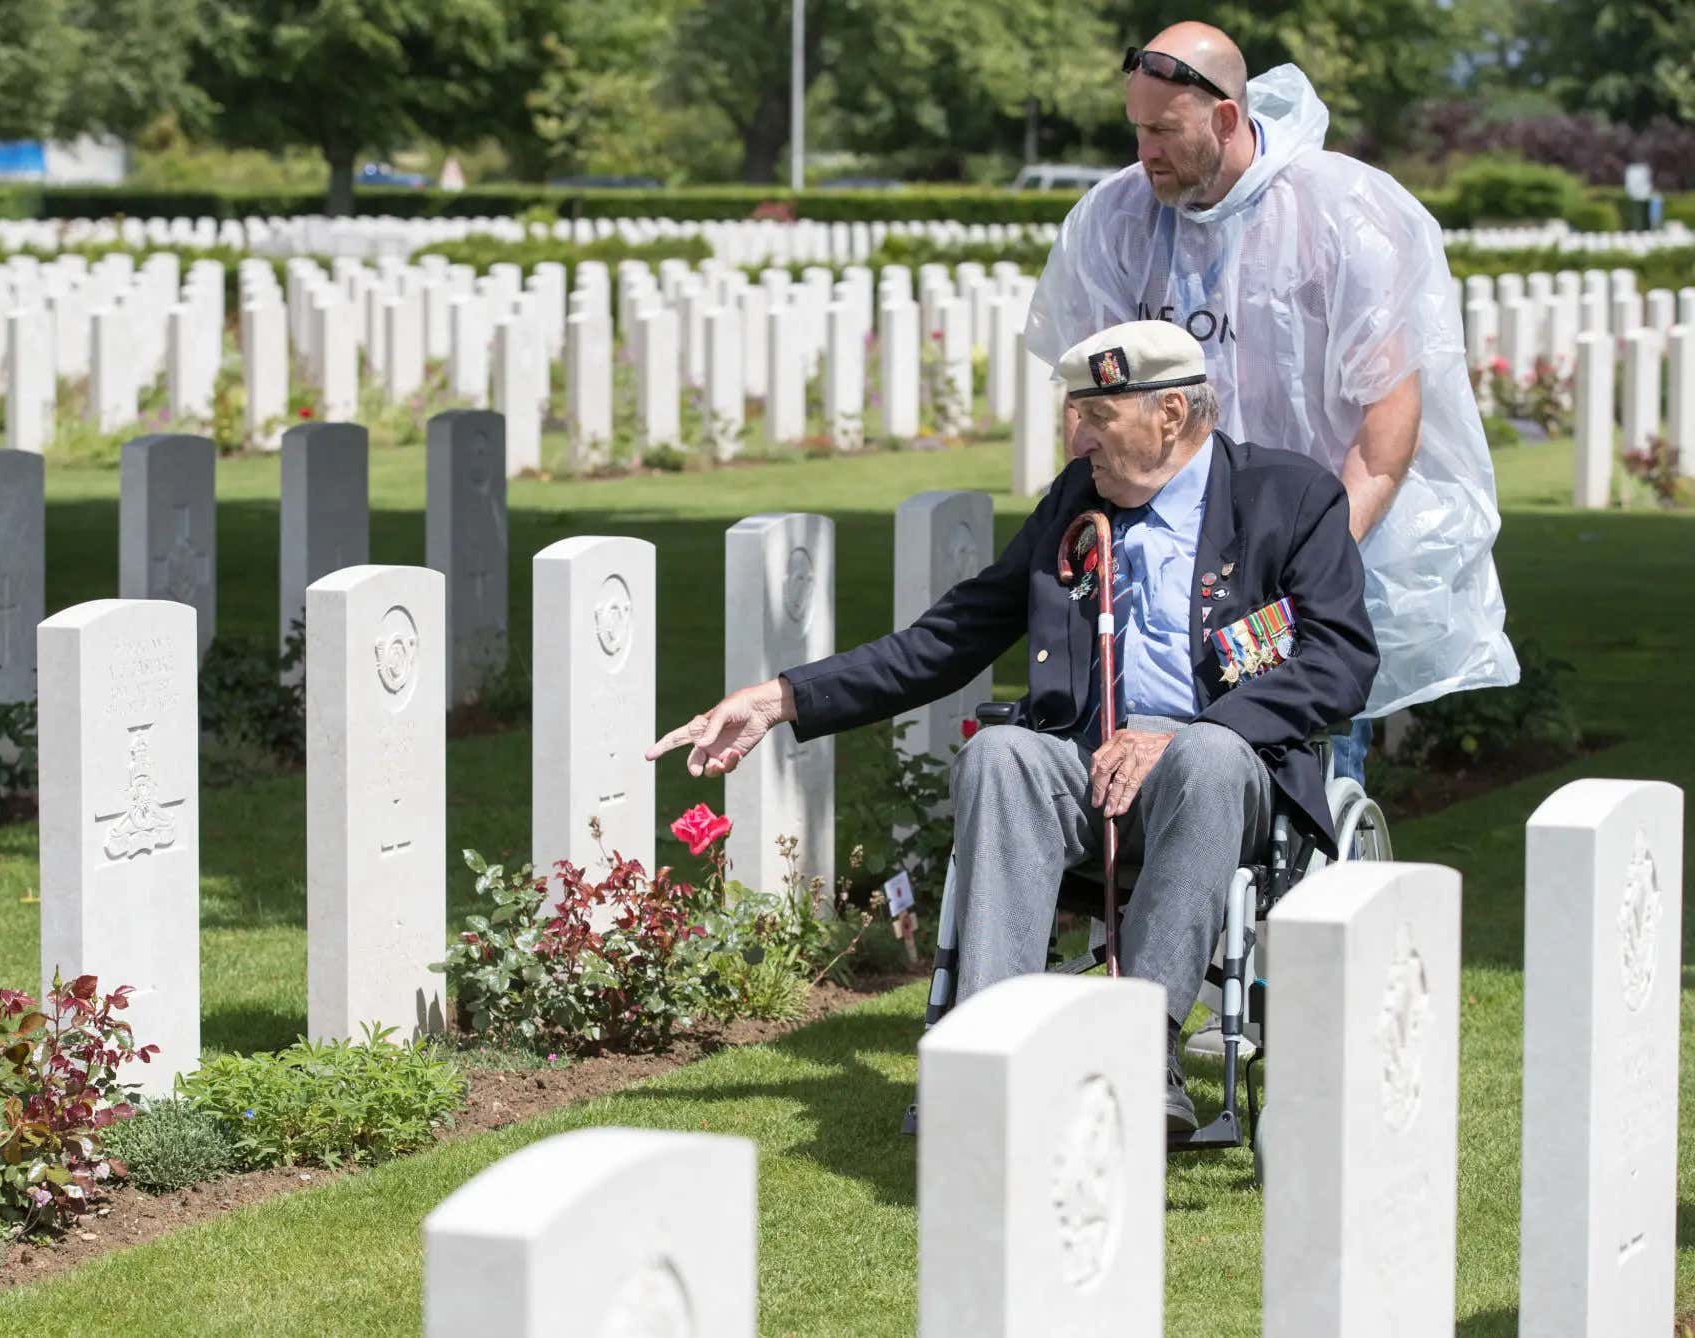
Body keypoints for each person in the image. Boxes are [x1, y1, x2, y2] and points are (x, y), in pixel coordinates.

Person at [645, 321, 1377, 1131]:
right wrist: (781, 698)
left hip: (1220, 780)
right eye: (1074, 413)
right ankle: (987, 1052)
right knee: (1000, 753)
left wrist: (1178, 734)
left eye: (1096, 414)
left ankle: (1141, 1049)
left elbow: (1340, 661)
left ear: (1171, 413)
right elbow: (951, 636)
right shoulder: (1077, 501)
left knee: (1205, 753)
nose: (1075, 436)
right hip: (1089, 772)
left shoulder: (1291, 497)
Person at [1026, 22, 1517, 783]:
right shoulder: (1115, 221)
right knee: (1154, 787)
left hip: (1304, 565)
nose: (1143, 151)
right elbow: (1088, 406)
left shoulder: (1342, 214)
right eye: (1136, 129)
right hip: (1164, 566)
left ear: (1225, 117)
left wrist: (1307, 557)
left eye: (1163, 131)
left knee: (1306, 783)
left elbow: (1388, 421)